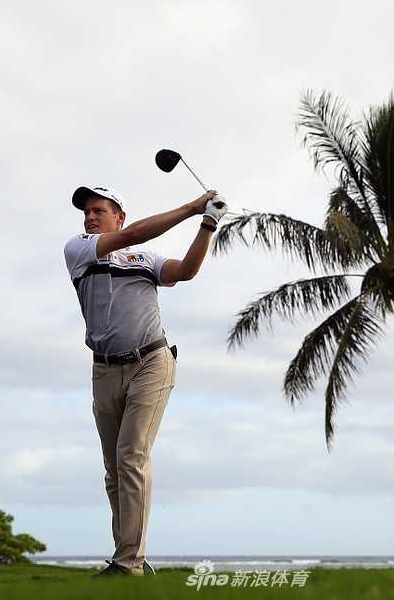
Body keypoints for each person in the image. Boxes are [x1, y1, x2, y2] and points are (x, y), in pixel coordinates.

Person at [63, 184, 227, 577]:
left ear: (118, 216)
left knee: (131, 455)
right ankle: (130, 554)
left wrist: (207, 223)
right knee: (114, 469)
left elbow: (184, 272)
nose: (90, 218)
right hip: (104, 369)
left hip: (151, 361)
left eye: (99, 211)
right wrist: (191, 206)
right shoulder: (78, 249)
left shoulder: (145, 258)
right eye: (86, 212)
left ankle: (128, 563)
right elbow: (135, 234)